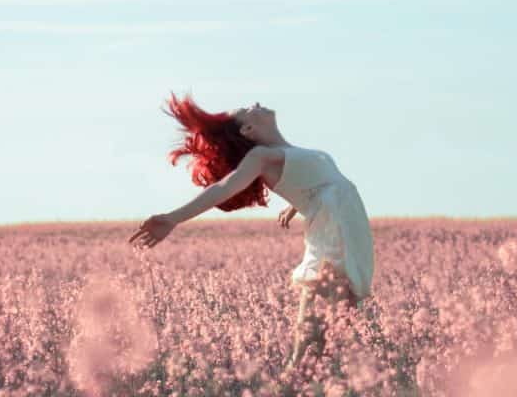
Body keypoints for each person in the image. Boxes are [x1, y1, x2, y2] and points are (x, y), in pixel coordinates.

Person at [128, 91, 375, 370]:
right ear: (248, 129)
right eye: (247, 109)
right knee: (308, 356)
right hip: (333, 242)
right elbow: (225, 186)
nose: (255, 103)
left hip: (349, 239)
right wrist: (174, 218)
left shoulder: (293, 153)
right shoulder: (262, 156)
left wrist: (298, 205)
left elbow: (323, 185)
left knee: (329, 351)